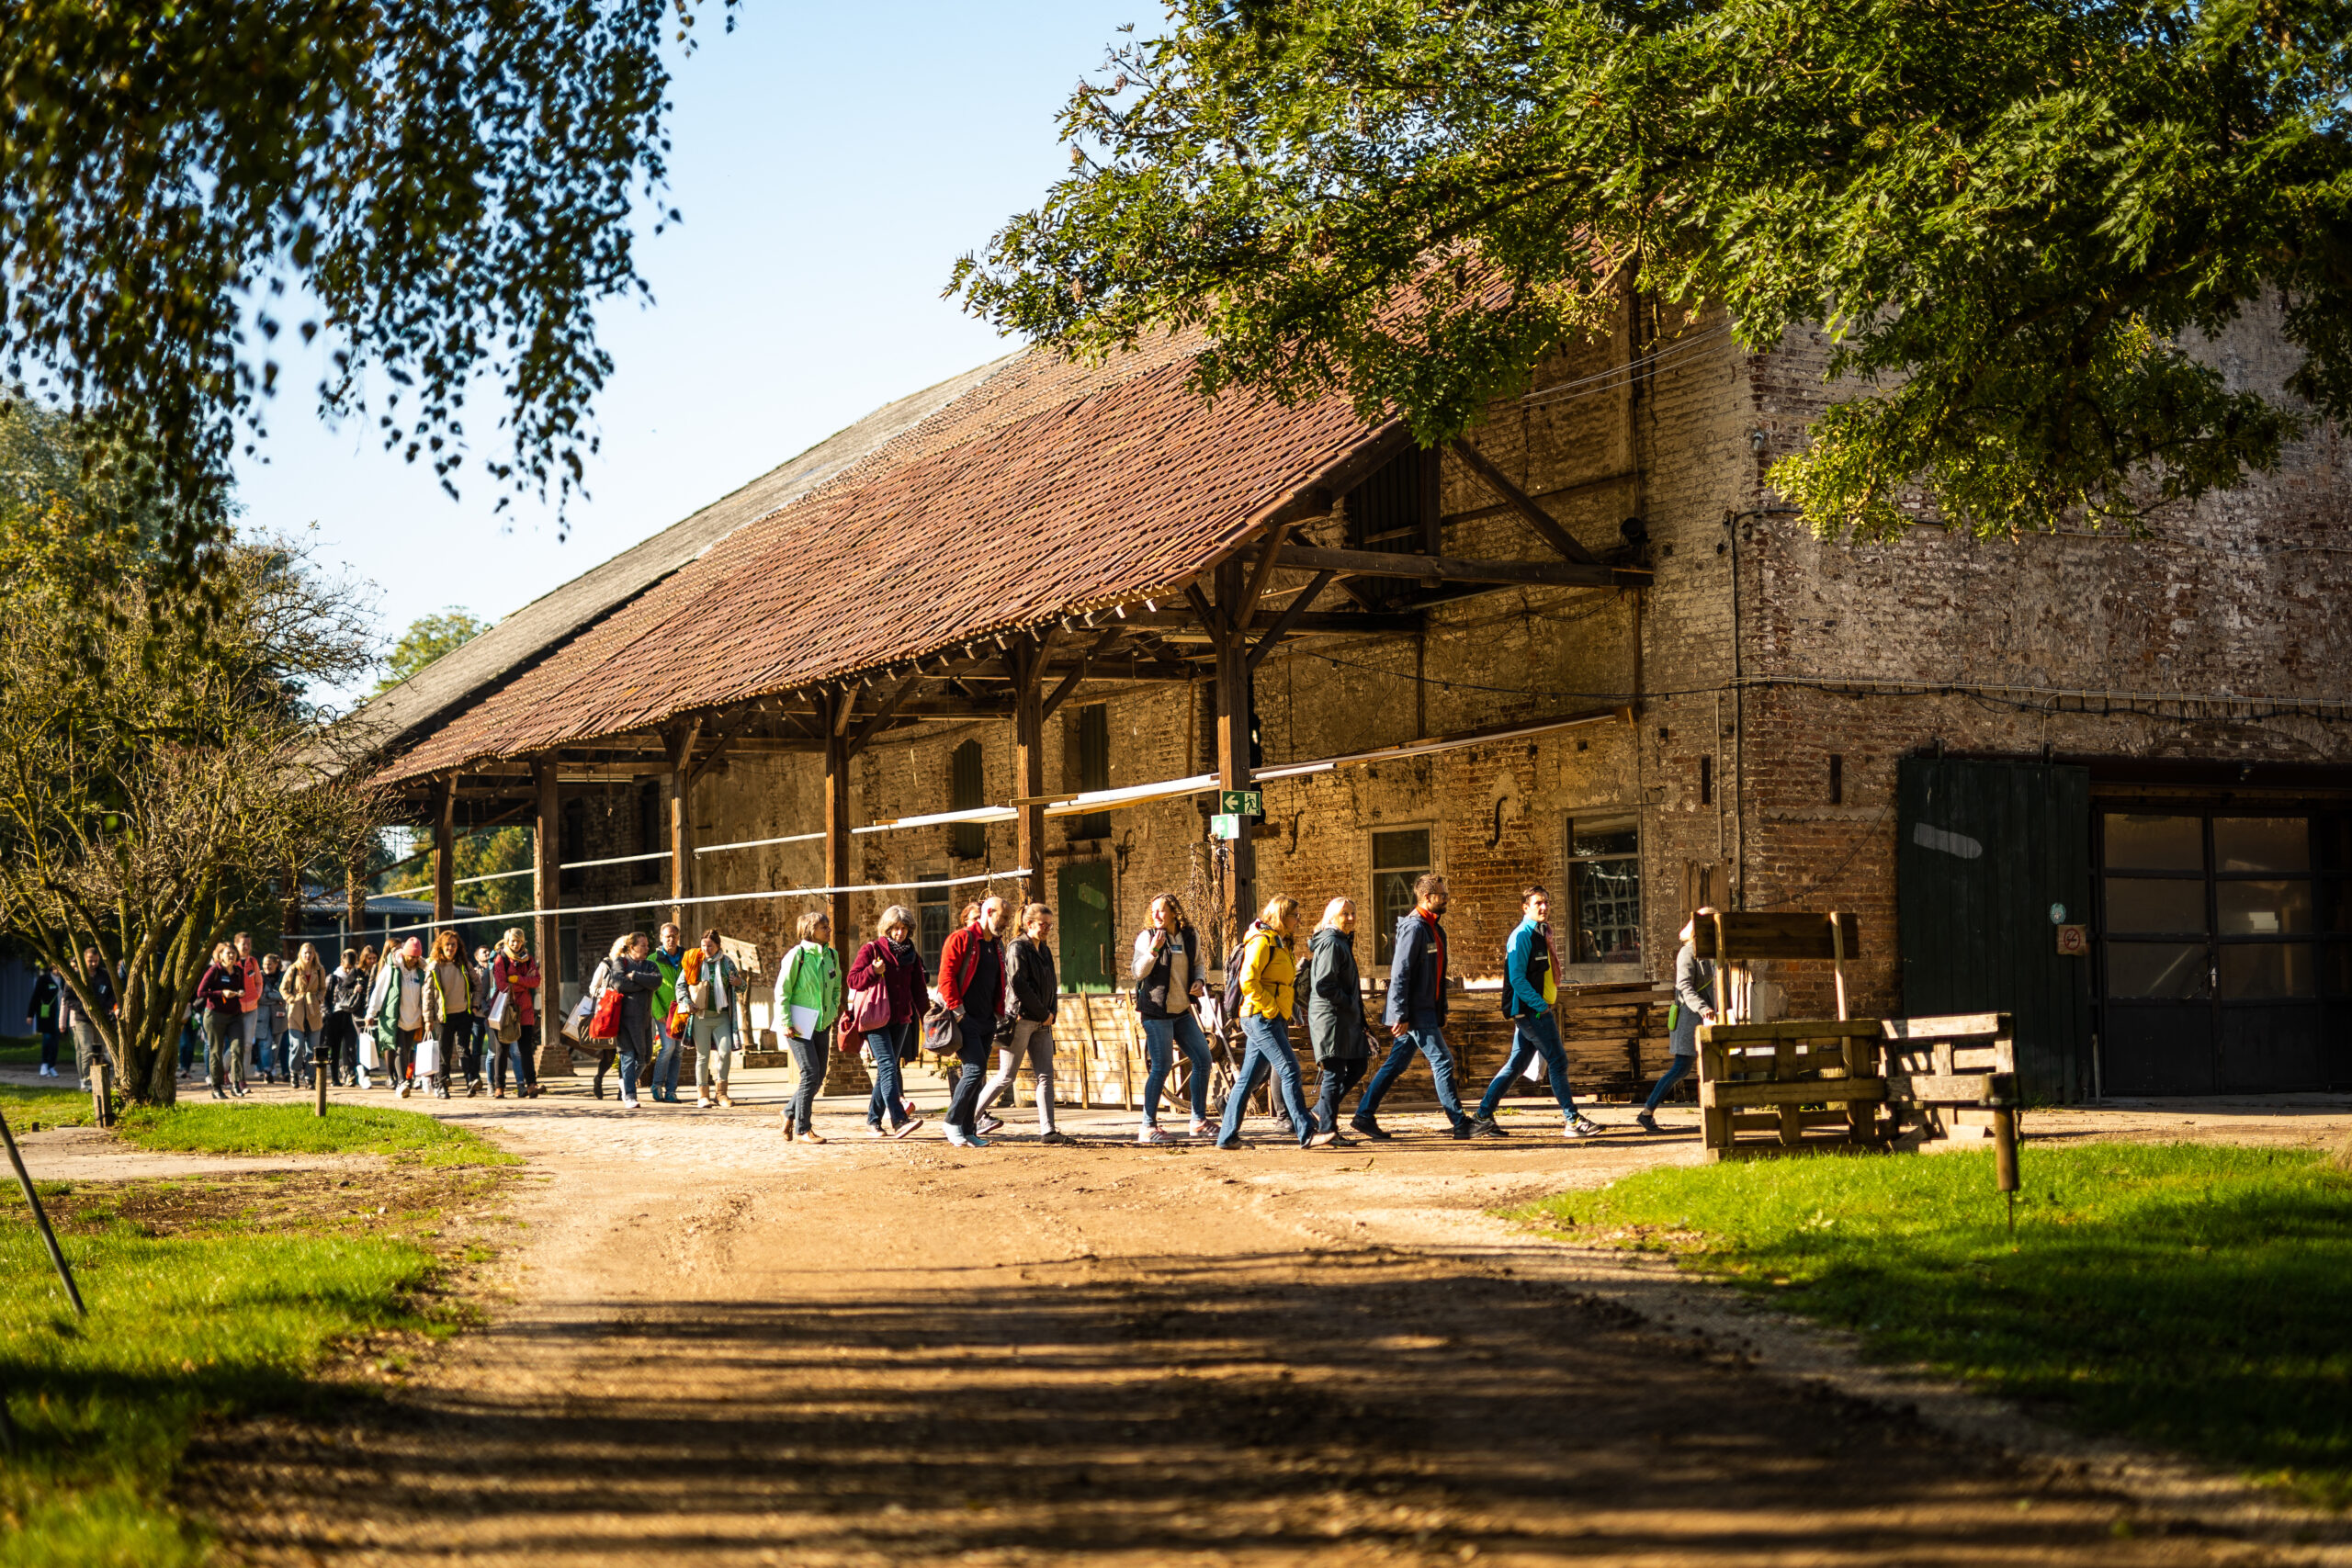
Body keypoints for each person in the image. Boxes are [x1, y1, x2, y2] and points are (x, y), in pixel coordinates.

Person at [1472, 886, 1605, 1140]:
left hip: (1534, 1010)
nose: (1544, 907)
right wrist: (1540, 1005)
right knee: (1558, 1061)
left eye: (1546, 902)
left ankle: (1482, 1116)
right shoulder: (1521, 936)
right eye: (1538, 903)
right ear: (1525, 908)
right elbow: (1517, 979)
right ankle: (1572, 1120)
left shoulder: (1540, 933)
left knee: (1516, 1065)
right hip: (1531, 1012)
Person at [1353, 874, 1474, 1141]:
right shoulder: (1414, 927)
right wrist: (1399, 1013)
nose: (1446, 899)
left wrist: (1439, 1008)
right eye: (1442, 895)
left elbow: (1435, 975)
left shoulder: (1434, 928)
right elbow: (1401, 972)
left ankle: (1363, 1115)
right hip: (1416, 1012)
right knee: (1443, 1061)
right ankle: (1460, 1123)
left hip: (1426, 1009)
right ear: (1427, 898)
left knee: (1396, 1063)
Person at [1216, 895, 1332, 1150]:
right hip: (1260, 1016)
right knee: (1289, 1069)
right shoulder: (1262, 941)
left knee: (1248, 1078)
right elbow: (1248, 981)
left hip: (1273, 1016)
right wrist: (1270, 1008)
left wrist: (1289, 1010)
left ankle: (1226, 1137)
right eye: (1294, 916)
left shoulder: (1280, 942)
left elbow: (1284, 984)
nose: (1298, 920)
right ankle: (1306, 1132)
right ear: (1281, 916)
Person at [978, 903, 1065, 1142]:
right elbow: (1018, 984)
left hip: (1043, 1022)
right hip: (1021, 1019)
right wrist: (1042, 1012)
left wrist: (1052, 1012)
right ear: (1029, 924)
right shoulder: (1017, 947)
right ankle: (966, 1119)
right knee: (1006, 1076)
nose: (1047, 929)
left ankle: (1048, 1130)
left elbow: (1051, 983)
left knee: (1045, 1075)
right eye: (1043, 925)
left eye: (1050, 925)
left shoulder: (1044, 950)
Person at [1131, 892, 1214, 1144]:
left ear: (1174, 912)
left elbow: (1198, 963)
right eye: (1153, 910)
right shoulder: (1147, 937)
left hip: (1181, 1011)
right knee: (1161, 1066)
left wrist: (1199, 980)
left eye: (1161, 910)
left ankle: (1198, 1121)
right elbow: (1138, 972)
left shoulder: (1189, 936)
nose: (1156, 915)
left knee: (1203, 1059)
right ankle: (1147, 1127)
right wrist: (1153, 951)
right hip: (1156, 1013)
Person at [847, 906, 927, 1140]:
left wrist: (927, 1018)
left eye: (904, 929)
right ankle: (899, 1120)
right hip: (875, 1019)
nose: (899, 933)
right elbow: (853, 979)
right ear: (887, 928)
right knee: (888, 1065)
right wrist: (872, 971)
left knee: (886, 1071)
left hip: (901, 1019)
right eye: (895, 928)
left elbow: (919, 990)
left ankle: (873, 1122)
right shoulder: (872, 949)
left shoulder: (912, 955)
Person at [937, 896, 1012, 1148]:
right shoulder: (961, 938)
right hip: (964, 1018)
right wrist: (958, 1012)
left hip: (987, 1019)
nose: (1006, 923)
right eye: (1003, 917)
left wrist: (998, 1013)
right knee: (974, 1069)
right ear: (989, 913)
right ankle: (952, 1121)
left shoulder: (996, 945)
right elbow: (946, 976)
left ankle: (968, 1129)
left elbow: (998, 980)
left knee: (978, 1076)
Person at [1637, 909, 1717, 1134]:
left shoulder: (1715, 953)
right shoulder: (1688, 952)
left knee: (1719, 1065)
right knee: (1680, 1069)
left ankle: (1722, 1113)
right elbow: (1684, 986)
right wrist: (1704, 1008)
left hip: (1711, 1019)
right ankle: (1646, 1113)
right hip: (1691, 1020)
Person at [775, 909, 844, 1142]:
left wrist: (832, 1010)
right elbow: (782, 990)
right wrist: (786, 1021)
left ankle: (788, 1112)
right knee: (810, 1073)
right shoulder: (797, 955)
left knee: (819, 1076)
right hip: (798, 1024)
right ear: (810, 930)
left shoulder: (832, 955)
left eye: (828, 926)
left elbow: (836, 987)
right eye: (823, 927)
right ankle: (803, 1129)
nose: (829, 930)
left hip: (822, 1024)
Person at [1305, 898, 1369, 1143]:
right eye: (1345, 914)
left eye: (1353, 913)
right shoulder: (1331, 943)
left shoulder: (1340, 940)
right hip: (1331, 1018)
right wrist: (1349, 1002)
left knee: (1358, 1065)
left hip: (1343, 1018)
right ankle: (1327, 1130)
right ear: (1332, 917)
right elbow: (1324, 984)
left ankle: (1320, 1112)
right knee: (1334, 1072)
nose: (1351, 918)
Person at [599, 933, 661, 1111]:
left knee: (645, 1058)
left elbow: (657, 981)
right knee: (628, 1057)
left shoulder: (650, 964)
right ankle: (630, 1096)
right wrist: (644, 983)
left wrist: (635, 976)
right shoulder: (621, 962)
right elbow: (619, 984)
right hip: (624, 1020)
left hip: (644, 1020)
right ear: (632, 947)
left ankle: (625, 1082)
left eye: (647, 945)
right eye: (643, 945)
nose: (647, 948)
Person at [685, 928, 743, 1110]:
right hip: (700, 1017)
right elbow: (681, 986)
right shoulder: (694, 960)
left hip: (722, 1016)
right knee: (702, 1055)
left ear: (718, 946)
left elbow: (742, 986)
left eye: (710, 946)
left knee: (725, 1052)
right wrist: (687, 1002)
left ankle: (721, 1094)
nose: (706, 949)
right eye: (703, 945)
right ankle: (702, 1095)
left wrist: (739, 982)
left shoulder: (727, 963)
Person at [365, 937, 429, 1097]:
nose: (414, 960)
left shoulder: (421, 971)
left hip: (413, 1018)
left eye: (416, 957)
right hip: (396, 1016)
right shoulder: (392, 968)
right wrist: (371, 1012)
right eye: (411, 956)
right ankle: (401, 1081)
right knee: (399, 1048)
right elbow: (379, 990)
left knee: (406, 1050)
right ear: (405, 954)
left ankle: (403, 1079)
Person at [491, 928, 544, 1100]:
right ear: (507, 942)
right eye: (512, 941)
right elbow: (501, 985)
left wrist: (516, 979)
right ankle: (499, 1087)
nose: (516, 944)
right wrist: (524, 983)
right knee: (502, 1048)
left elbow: (536, 981)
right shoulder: (501, 958)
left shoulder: (528, 959)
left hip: (525, 1009)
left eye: (519, 941)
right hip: (505, 1008)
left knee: (526, 1049)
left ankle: (532, 1085)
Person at [421, 930, 475, 1100]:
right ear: (441, 947)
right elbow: (428, 994)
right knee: (444, 1053)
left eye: (453, 945)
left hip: (463, 1013)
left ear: (458, 947)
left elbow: (478, 985)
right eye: (447, 945)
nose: (450, 948)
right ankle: (441, 1085)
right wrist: (428, 1019)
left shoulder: (464, 964)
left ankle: (471, 1082)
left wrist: (475, 1005)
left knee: (464, 1049)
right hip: (443, 1017)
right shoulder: (434, 966)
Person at [62, 948, 117, 1095]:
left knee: (100, 1050)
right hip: (83, 1020)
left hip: (101, 1019)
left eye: (96, 961)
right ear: (83, 960)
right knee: (86, 1050)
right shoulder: (75, 976)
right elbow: (68, 999)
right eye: (90, 961)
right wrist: (84, 1008)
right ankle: (86, 1081)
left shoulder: (104, 975)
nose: (93, 964)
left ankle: (100, 1080)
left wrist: (107, 1007)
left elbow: (112, 994)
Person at [197, 942, 247, 1099]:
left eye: (233, 953)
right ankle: (216, 1087)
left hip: (235, 1015)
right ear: (220, 955)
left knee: (238, 1048)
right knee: (216, 1052)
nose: (231, 956)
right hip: (215, 1015)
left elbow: (242, 988)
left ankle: (236, 1084)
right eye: (228, 953)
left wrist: (241, 992)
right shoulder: (214, 970)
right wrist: (221, 993)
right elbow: (201, 992)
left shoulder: (239, 971)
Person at [648, 923, 688, 1104]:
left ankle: (671, 1091)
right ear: (661, 938)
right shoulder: (653, 959)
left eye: (674, 936)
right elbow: (650, 990)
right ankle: (656, 1085)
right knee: (668, 1047)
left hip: (682, 1011)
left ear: (678, 937)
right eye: (667, 936)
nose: (671, 939)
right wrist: (657, 1012)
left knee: (678, 1051)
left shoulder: (686, 957)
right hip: (664, 1011)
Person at [282, 943, 328, 1089]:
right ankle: (294, 1072)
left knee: (313, 1048)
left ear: (314, 955)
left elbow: (323, 988)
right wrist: (291, 999)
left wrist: (319, 998)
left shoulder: (319, 969)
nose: (308, 956)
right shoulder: (293, 969)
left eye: (310, 953)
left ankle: (309, 1077)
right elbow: (283, 988)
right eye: (305, 953)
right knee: (297, 1045)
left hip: (313, 1011)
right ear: (300, 954)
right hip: (296, 1011)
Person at [322, 947, 368, 1088]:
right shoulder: (333, 978)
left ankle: (350, 1073)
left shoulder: (357, 976)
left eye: (351, 967)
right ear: (341, 962)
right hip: (335, 1015)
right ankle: (334, 1078)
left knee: (350, 1046)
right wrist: (328, 1014)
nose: (348, 970)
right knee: (334, 1048)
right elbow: (325, 998)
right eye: (346, 967)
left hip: (349, 1015)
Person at [232, 931, 266, 1089]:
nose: (246, 947)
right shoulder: (231, 962)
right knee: (235, 1045)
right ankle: (224, 1070)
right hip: (235, 1009)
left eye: (248, 944)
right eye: (243, 944)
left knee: (247, 1045)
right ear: (236, 945)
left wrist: (256, 996)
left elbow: (259, 982)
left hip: (252, 1008)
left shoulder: (253, 961)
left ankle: (242, 1079)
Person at [467, 942, 498, 1094]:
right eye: (483, 952)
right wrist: (474, 1007)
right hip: (478, 1015)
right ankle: (475, 1077)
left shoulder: (495, 969)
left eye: (488, 951)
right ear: (477, 957)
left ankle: (495, 1078)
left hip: (493, 1014)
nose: (487, 953)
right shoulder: (473, 972)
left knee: (495, 1048)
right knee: (477, 1048)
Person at [254, 952, 289, 1083]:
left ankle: (272, 1066)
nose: (266, 967)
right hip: (262, 1015)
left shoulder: (283, 977)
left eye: (269, 964)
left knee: (277, 1043)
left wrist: (269, 995)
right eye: (264, 964)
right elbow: (258, 997)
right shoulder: (259, 976)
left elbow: (286, 995)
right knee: (265, 1042)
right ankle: (267, 1070)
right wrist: (275, 998)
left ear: (276, 964)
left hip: (279, 1015)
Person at [26, 964, 62, 1078]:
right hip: (46, 1015)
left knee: (55, 1041)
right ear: (52, 966)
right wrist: (30, 1015)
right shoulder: (44, 979)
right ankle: (44, 1064)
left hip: (60, 1014)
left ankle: (52, 1066)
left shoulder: (65, 980)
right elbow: (35, 997)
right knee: (47, 1038)